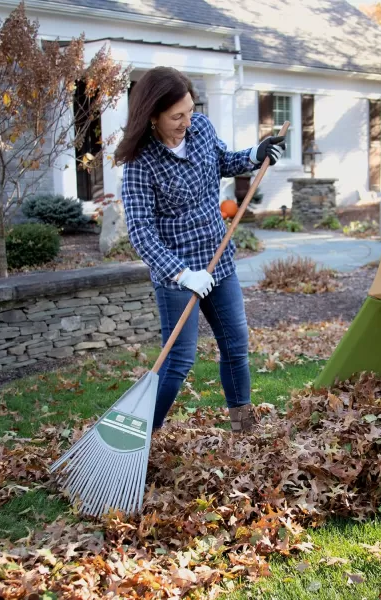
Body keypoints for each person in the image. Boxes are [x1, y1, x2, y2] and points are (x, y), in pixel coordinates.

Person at [115, 67, 286, 433]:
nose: (187, 122)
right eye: (177, 116)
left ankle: (243, 427)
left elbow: (222, 161)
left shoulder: (202, 128)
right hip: (178, 274)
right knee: (178, 359)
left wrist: (256, 153)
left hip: (217, 260)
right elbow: (141, 234)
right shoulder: (139, 164)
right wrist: (182, 274)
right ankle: (142, 435)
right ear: (152, 116)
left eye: (190, 111)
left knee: (236, 345)